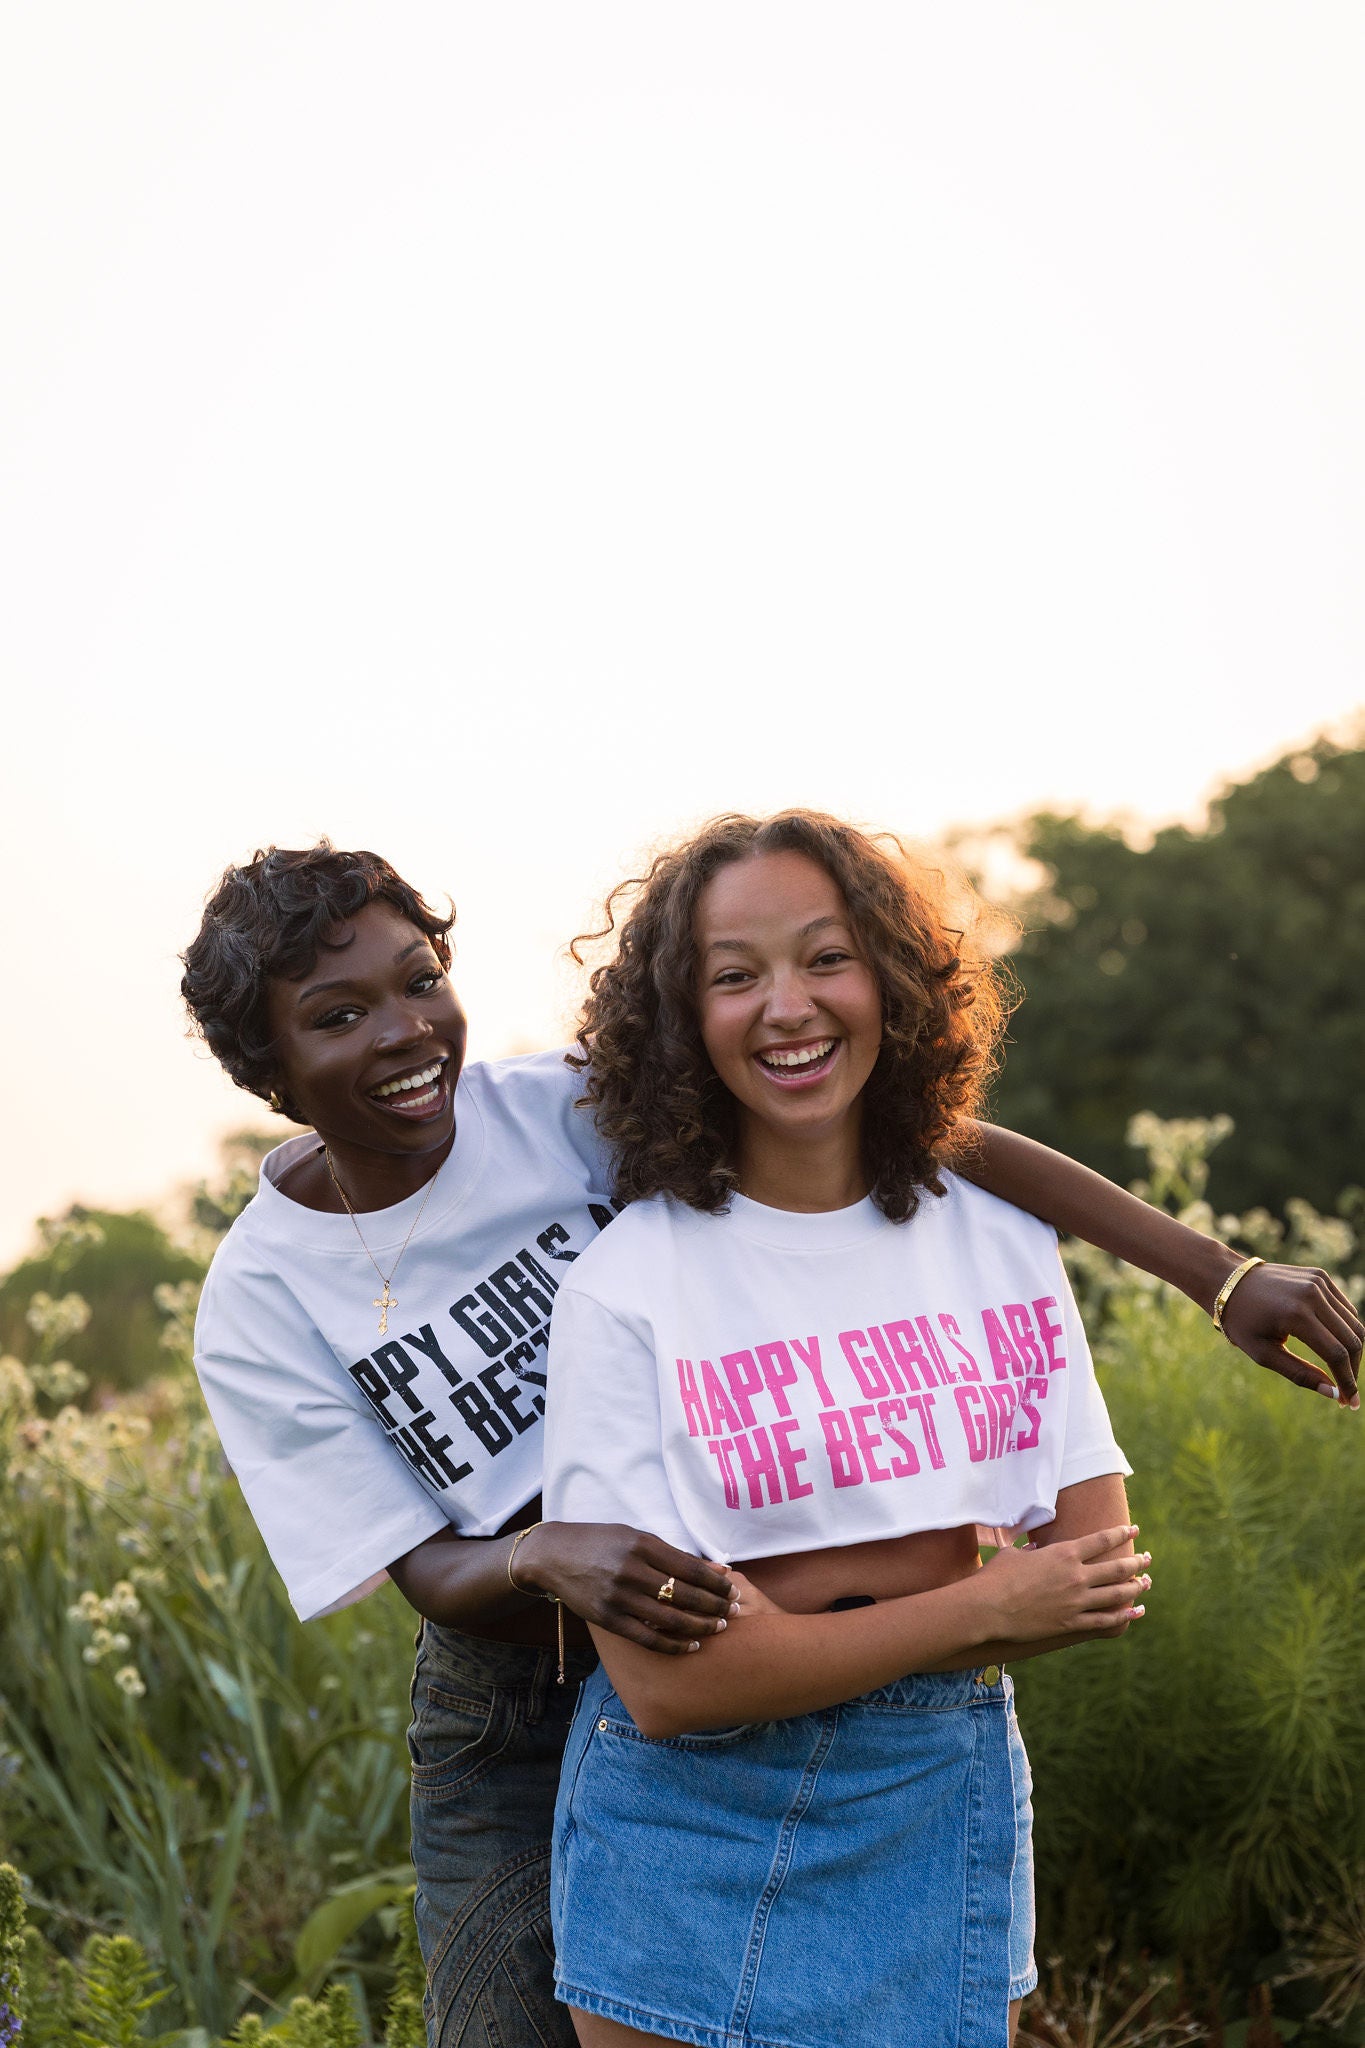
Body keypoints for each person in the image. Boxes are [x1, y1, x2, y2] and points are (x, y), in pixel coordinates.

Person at [182, 841, 1360, 2048]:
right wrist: (548, 1557)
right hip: (520, 1689)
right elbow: (422, 1564)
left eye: (419, 978)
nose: (404, 1032)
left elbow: (921, 1132)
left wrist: (1216, 1276)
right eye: (340, 1015)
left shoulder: (558, 1108)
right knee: (502, 2025)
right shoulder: (260, 1301)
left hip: (759, 1611)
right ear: (267, 1065)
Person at [539, 810, 1362, 2048]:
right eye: (734, 974)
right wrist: (976, 1604)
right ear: (679, 1020)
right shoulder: (624, 1284)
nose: (788, 1006)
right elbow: (663, 1684)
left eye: (828, 956)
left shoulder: (997, 1240)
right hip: (684, 1834)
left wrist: (782, 1622)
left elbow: (1093, 1575)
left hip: (938, 1794)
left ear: (893, 979)